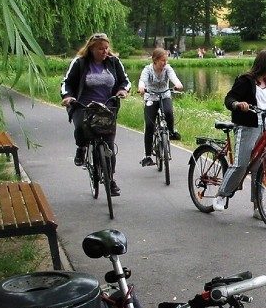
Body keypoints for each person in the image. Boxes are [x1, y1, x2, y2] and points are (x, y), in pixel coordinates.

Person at [213, 49, 266, 217]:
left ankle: (258, 207)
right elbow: (229, 98)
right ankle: (221, 195)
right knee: (241, 164)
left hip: (264, 127)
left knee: (260, 165)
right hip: (247, 127)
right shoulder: (245, 80)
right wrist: (238, 104)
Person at [60, 32, 131, 196]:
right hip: (83, 105)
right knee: (80, 127)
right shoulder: (80, 63)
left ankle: (110, 180)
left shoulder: (113, 62)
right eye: (100, 49)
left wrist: (122, 90)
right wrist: (67, 97)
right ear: (92, 49)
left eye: (106, 48)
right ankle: (81, 147)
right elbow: (67, 82)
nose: (104, 51)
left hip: (107, 106)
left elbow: (125, 80)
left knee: (109, 146)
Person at [137, 47, 184, 167]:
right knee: (149, 125)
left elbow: (173, 77)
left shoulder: (167, 69)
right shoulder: (148, 69)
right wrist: (141, 87)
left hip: (164, 95)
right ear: (155, 60)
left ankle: (171, 131)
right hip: (151, 97)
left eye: (166, 60)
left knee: (168, 112)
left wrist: (178, 84)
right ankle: (148, 156)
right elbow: (142, 80)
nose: (165, 63)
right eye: (162, 60)